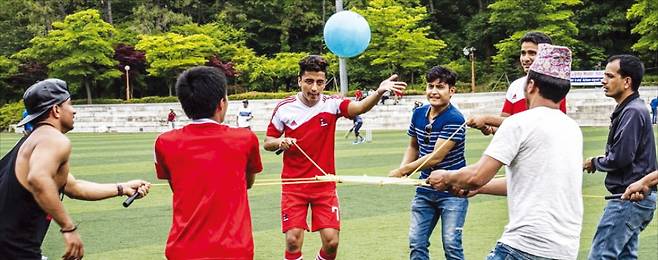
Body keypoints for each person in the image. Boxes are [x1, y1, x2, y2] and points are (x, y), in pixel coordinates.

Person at [428, 44, 584, 260]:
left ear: (530, 85)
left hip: (524, 246)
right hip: (564, 250)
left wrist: (446, 176)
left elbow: (476, 176)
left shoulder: (518, 123)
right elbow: (527, 182)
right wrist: (480, 189)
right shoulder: (572, 128)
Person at [264, 55, 406, 260]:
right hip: (294, 184)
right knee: (293, 240)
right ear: (299, 80)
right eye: (309, 81)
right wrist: (280, 142)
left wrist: (379, 91)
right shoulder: (284, 108)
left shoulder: (332, 104)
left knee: (332, 242)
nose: (314, 88)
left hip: (324, 183)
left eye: (320, 82)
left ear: (325, 82)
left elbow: (360, 108)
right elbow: (268, 141)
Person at [0, 79, 151, 260]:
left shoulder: (33, 140)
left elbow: (73, 187)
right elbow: (38, 179)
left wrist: (122, 188)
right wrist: (68, 227)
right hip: (15, 252)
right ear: (56, 110)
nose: (74, 110)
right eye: (69, 104)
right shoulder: (54, 139)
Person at [154, 66, 263, 259]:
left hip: (183, 249)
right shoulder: (245, 139)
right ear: (221, 103)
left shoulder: (164, 143)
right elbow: (249, 183)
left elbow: (176, 186)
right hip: (234, 248)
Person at [388, 66, 468, 260]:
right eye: (430, 86)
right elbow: (413, 147)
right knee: (417, 243)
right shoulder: (418, 113)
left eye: (440, 87)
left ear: (452, 91)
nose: (433, 91)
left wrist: (402, 171)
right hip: (425, 188)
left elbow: (436, 157)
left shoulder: (455, 119)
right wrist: (403, 169)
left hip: (452, 190)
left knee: (451, 245)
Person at [583, 54, 657, 259]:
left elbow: (621, 157)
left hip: (628, 198)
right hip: (638, 200)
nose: (603, 81)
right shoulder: (631, 108)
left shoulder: (632, 111)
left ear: (627, 82)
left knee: (600, 256)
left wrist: (594, 162)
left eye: (609, 76)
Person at [468, 31, 566, 135]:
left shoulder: (554, 86)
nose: (525, 58)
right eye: (523, 53)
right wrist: (490, 129)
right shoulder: (515, 85)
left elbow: (535, 125)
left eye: (532, 53)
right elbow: (506, 125)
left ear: (545, 56)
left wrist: (487, 119)